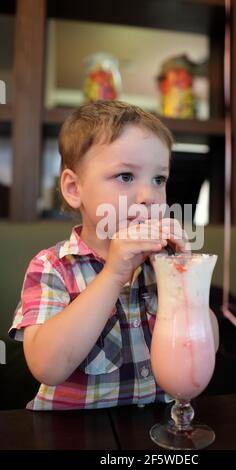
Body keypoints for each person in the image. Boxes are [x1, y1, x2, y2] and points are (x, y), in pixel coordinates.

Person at [9, 100, 218, 410]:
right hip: (73, 433)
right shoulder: (53, 267)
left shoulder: (162, 264)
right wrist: (113, 274)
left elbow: (208, 344)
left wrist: (184, 275)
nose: (148, 197)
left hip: (155, 427)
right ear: (73, 188)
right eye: (125, 176)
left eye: (159, 179)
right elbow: (47, 366)